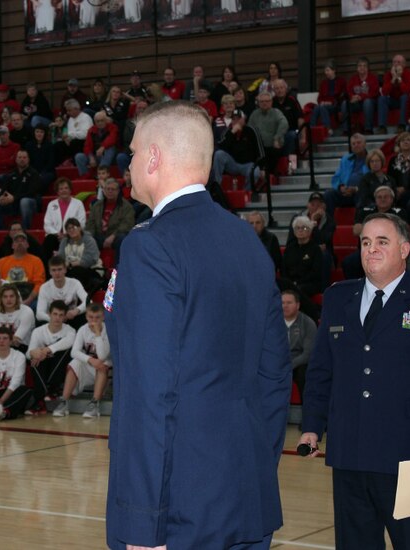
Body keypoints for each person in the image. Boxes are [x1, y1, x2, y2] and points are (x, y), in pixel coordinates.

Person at [105, 101, 291, 549]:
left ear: (152, 158)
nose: (126, 165)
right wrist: (252, 469)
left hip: (178, 512)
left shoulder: (150, 247)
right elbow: (274, 376)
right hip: (245, 497)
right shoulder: (247, 241)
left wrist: (144, 523)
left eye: (131, 153)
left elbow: (150, 392)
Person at [298, 212, 410, 549]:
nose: (372, 249)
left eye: (382, 241)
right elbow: (321, 369)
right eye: (366, 242)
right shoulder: (338, 298)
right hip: (351, 449)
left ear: (406, 249)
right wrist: (312, 425)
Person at [52, 302, 111, 419]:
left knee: (102, 364)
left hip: (105, 369)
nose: (93, 320)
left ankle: (94, 404)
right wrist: (90, 360)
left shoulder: (108, 330)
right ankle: (64, 401)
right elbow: (74, 352)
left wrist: (98, 334)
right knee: (74, 363)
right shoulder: (82, 329)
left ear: (103, 317)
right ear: (86, 317)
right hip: (90, 365)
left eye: (97, 317)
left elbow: (102, 355)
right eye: (90, 317)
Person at [27, 300, 76, 406]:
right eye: (55, 314)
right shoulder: (38, 331)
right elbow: (28, 353)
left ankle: (47, 392)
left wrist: (46, 350)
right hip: (43, 364)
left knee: (65, 350)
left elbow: (69, 342)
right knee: (34, 359)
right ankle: (45, 392)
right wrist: (34, 353)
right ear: (49, 314)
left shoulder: (70, 331)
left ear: (64, 317)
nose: (57, 317)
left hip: (59, 366)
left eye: (61, 315)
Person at [85, 178, 135, 263]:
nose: (110, 191)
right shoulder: (96, 205)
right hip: (99, 235)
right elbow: (90, 223)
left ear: (118, 191)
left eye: (113, 189)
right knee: (87, 237)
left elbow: (127, 225)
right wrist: (90, 237)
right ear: (103, 191)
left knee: (123, 238)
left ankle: (118, 269)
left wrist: (113, 236)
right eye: (108, 189)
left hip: (116, 236)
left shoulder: (126, 206)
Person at [282, 289, 317, 406]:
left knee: (305, 372)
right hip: (277, 362)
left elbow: (308, 354)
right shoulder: (273, 323)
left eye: (289, 303)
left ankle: (306, 413)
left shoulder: (307, 323)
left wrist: (288, 365)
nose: (285, 306)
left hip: (298, 363)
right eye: (282, 303)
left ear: (297, 305)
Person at [324, 133, 369, 216]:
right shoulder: (346, 159)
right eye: (353, 144)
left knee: (362, 194)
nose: (356, 145)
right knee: (328, 194)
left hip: (361, 193)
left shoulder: (371, 159)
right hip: (346, 193)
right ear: (351, 147)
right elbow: (336, 178)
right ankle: (329, 222)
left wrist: (356, 189)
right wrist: (341, 187)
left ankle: (359, 222)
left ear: (365, 144)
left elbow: (372, 181)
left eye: (359, 143)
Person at [36, 256, 87, 326]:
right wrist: (56, 318)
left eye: (59, 269)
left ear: (65, 270)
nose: (57, 273)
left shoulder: (75, 283)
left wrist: (76, 311)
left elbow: (88, 302)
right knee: (40, 323)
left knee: (84, 316)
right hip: (52, 321)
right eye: (54, 270)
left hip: (71, 319)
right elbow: (39, 313)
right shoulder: (45, 287)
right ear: (50, 272)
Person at [377, 54, 410, 133]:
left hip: (405, 100)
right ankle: (382, 127)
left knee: (404, 97)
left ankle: (402, 126)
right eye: (394, 62)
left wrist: (400, 79)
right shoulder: (388, 74)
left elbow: (408, 92)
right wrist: (393, 79)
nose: (396, 64)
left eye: (399, 62)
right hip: (393, 100)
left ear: (404, 64)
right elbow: (384, 92)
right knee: (382, 99)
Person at [342, 57, 380, 135]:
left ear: (368, 68)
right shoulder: (353, 79)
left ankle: (368, 129)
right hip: (356, 103)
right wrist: (352, 97)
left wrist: (360, 97)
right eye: (360, 66)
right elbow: (348, 91)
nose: (362, 68)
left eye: (364, 66)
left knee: (367, 102)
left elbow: (374, 93)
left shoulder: (373, 78)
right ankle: (346, 130)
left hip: (370, 102)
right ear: (357, 68)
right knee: (344, 104)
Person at [311, 59, 347, 134]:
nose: (326, 72)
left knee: (320, 107)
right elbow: (319, 98)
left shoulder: (341, 81)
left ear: (334, 70)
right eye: (325, 71)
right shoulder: (323, 83)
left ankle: (327, 128)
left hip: (335, 105)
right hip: (324, 105)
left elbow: (343, 95)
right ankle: (312, 129)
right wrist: (323, 102)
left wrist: (330, 102)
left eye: (328, 70)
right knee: (318, 107)